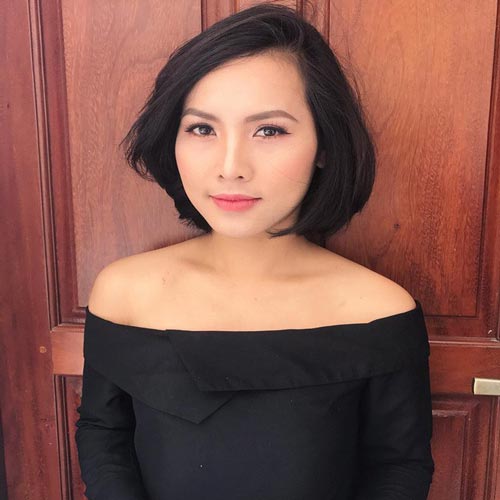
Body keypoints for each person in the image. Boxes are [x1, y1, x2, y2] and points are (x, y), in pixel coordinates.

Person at [75, 3, 435, 499]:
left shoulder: (380, 309)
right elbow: (103, 432)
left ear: (324, 144)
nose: (231, 166)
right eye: (202, 128)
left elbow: (399, 466)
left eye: (269, 130)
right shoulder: (123, 292)